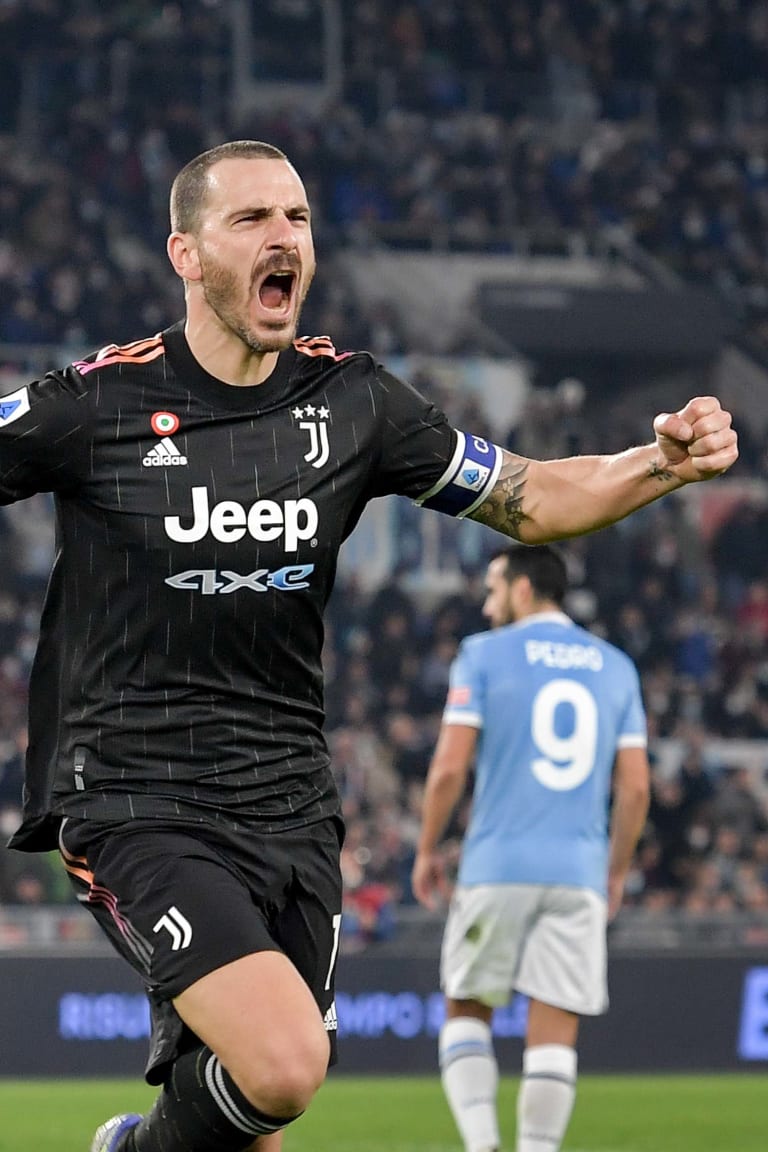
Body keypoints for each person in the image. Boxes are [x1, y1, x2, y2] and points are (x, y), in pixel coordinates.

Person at [0, 139, 735, 1152]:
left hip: (290, 804)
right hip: (137, 797)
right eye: (252, 219)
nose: (285, 238)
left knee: (254, 1120)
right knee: (283, 1066)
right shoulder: (95, 404)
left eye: (298, 218)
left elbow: (529, 498)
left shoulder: (354, 402)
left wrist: (660, 464)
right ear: (186, 254)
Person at [411, 544, 652, 1152]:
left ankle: (483, 1145)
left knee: (467, 1010)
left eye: (493, 591)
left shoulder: (483, 655)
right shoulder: (616, 667)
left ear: (523, 589)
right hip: (579, 873)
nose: (487, 606)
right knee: (554, 1032)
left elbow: (448, 769)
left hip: (497, 866)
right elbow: (635, 788)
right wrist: (615, 871)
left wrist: (427, 847)